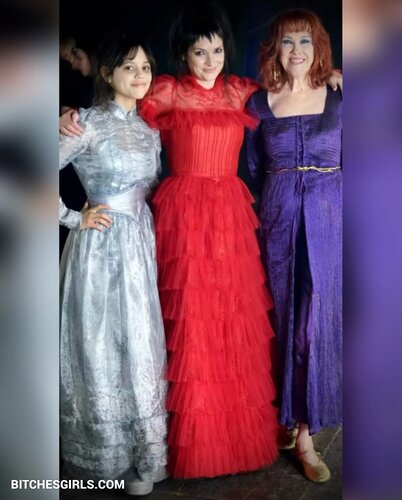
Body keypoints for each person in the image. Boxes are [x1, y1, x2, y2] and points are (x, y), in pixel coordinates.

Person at [59, 4, 342, 480]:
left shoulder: (241, 92)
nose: (210, 61)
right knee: (188, 324)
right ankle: (188, 439)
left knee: (235, 320)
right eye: (199, 52)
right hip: (183, 218)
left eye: (216, 51)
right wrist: (70, 113)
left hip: (231, 215)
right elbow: (119, 101)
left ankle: (242, 433)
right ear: (184, 56)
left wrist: (332, 74)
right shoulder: (165, 90)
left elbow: (289, 86)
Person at [59, 36, 168, 496]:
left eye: (145, 67)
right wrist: (72, 217)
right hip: (99, 249)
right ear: (107, 73)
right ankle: (110, 454)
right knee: (102, 343)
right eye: (129, 66)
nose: (140, 75)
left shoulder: (149, 131)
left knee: (140, 342)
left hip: (140, 246)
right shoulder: (84, 123)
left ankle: (144, 456)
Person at [245, 9, 342, 483]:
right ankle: (285, 415)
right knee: (278, 322)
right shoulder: (258, 104)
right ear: (275, 50)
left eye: (305, 40)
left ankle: (305, 434)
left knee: (312, 326)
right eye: (287, 41)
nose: (297, 50)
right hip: (277, 223)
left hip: (330, 223)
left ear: (318, 46)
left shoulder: (342, 96)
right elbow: (252, 169)